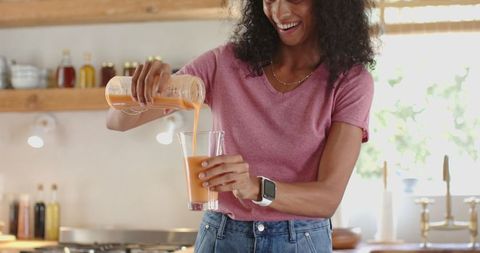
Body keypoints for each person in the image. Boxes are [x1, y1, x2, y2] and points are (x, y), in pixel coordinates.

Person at [107, 0, 376, 252]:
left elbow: (327, 198)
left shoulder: (350, 82)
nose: (280, 13)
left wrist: (255, 187)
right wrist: (141, 89)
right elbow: (117, 122)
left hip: (301, 241)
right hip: (222, 237)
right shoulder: (224, 63)